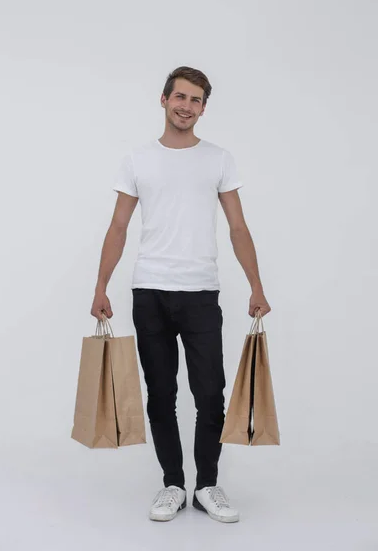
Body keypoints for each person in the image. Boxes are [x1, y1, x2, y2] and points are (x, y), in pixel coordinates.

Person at [90, 66, 271, 523]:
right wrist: (100, 285)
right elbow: (118, 226)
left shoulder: (218, 159)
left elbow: (237, 226)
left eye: (196, 100)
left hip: (200, 293)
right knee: (160, 395)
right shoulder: (137, 159)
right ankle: (173, 483)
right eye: (180, 97)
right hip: (149, 290)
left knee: (211, 393)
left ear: (203, 108)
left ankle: (207, 484)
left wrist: (256, 283)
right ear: (164, 99)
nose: (186, 106)